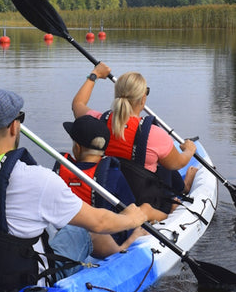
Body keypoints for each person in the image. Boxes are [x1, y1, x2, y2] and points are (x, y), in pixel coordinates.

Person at [0, 88, 147, 292]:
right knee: (82, 229)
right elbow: (100, 222)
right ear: (13, 127)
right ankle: (122, 251)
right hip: (26, 282)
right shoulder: (37, 179)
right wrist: (132, 218)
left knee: (49, 225)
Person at [72, 63, 198, 214]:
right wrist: (189, 151)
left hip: (109, 195)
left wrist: (95, 75)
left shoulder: (97, 121)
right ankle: (177, 195)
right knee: (164, 163)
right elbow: (177, 163)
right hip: (144, 203)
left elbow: (77, 104)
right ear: (143, 99)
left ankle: (182, 187)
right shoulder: (156, 135)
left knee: (162, 159)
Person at [58, 115, 167, 258]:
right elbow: (130, 207)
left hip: (68, 231)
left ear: (77, 148)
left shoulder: (60, 171)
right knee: (144, 208)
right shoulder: (112, 174)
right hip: (106, 236)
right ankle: (169, 217)